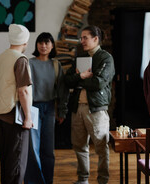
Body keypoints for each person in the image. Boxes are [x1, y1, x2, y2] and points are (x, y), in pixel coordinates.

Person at [64, 25, 115, 184]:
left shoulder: (106, 58)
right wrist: (83, 77)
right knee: (79, 146)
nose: (82, 41)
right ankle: (83, 179)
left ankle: (102, 180)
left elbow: (99, 83)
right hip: (77, 108)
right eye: (81, 38)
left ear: (96, 39)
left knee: (101, 148)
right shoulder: (80, 57)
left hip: (96, 110)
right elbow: (67, 80)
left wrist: (80, 79)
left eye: (85, 37)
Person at [24, 32, 69, 184]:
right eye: (40, 43)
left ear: (52, 46)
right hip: (32, 108)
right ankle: (33, 181)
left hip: (50, 108)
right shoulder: (29, 63)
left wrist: (62, 111)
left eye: (47, 43)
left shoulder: (56, 65)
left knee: (48, 149)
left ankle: (47, 181)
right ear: (36, 45)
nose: (43, 46)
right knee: (32, 148)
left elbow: (62, 90)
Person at [0, 24, 33, 184]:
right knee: (16, 164)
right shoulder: (20, 59)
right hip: (15, 117)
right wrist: (28, 117)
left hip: (2, 114)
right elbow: (23, 91)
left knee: (6, 160)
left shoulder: (2, 56)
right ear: (25, 41)